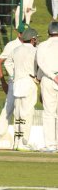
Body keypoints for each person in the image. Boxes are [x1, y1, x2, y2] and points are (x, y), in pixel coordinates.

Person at [0, 24, 25, 149]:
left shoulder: (30, 44)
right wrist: (3, 82)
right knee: (8, 109)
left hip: (26, 82)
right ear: (18, 33)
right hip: (14, 82)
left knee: (22, 111)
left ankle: (19, 142)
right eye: (23, 32)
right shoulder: (11, 45)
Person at [5, 28, 39, 151]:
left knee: (18, 114)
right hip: (29, 82)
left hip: (17, 83)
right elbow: (40, 65)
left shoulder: (15, 50)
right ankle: (23, 142)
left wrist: (13, 75)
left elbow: (7, 63)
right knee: (27, 113)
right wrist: (37, 77)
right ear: (32, 39)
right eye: (35, 38)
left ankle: (17, 142)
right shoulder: (35, 50)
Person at [36, 22, 58, 152]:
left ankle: (50, 145)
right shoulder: (43, 45)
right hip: (51, 79)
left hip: (48, 80)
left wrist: (53, 76)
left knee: (49, 113)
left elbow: (41, 63)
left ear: (49, 32)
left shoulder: (43, 45)